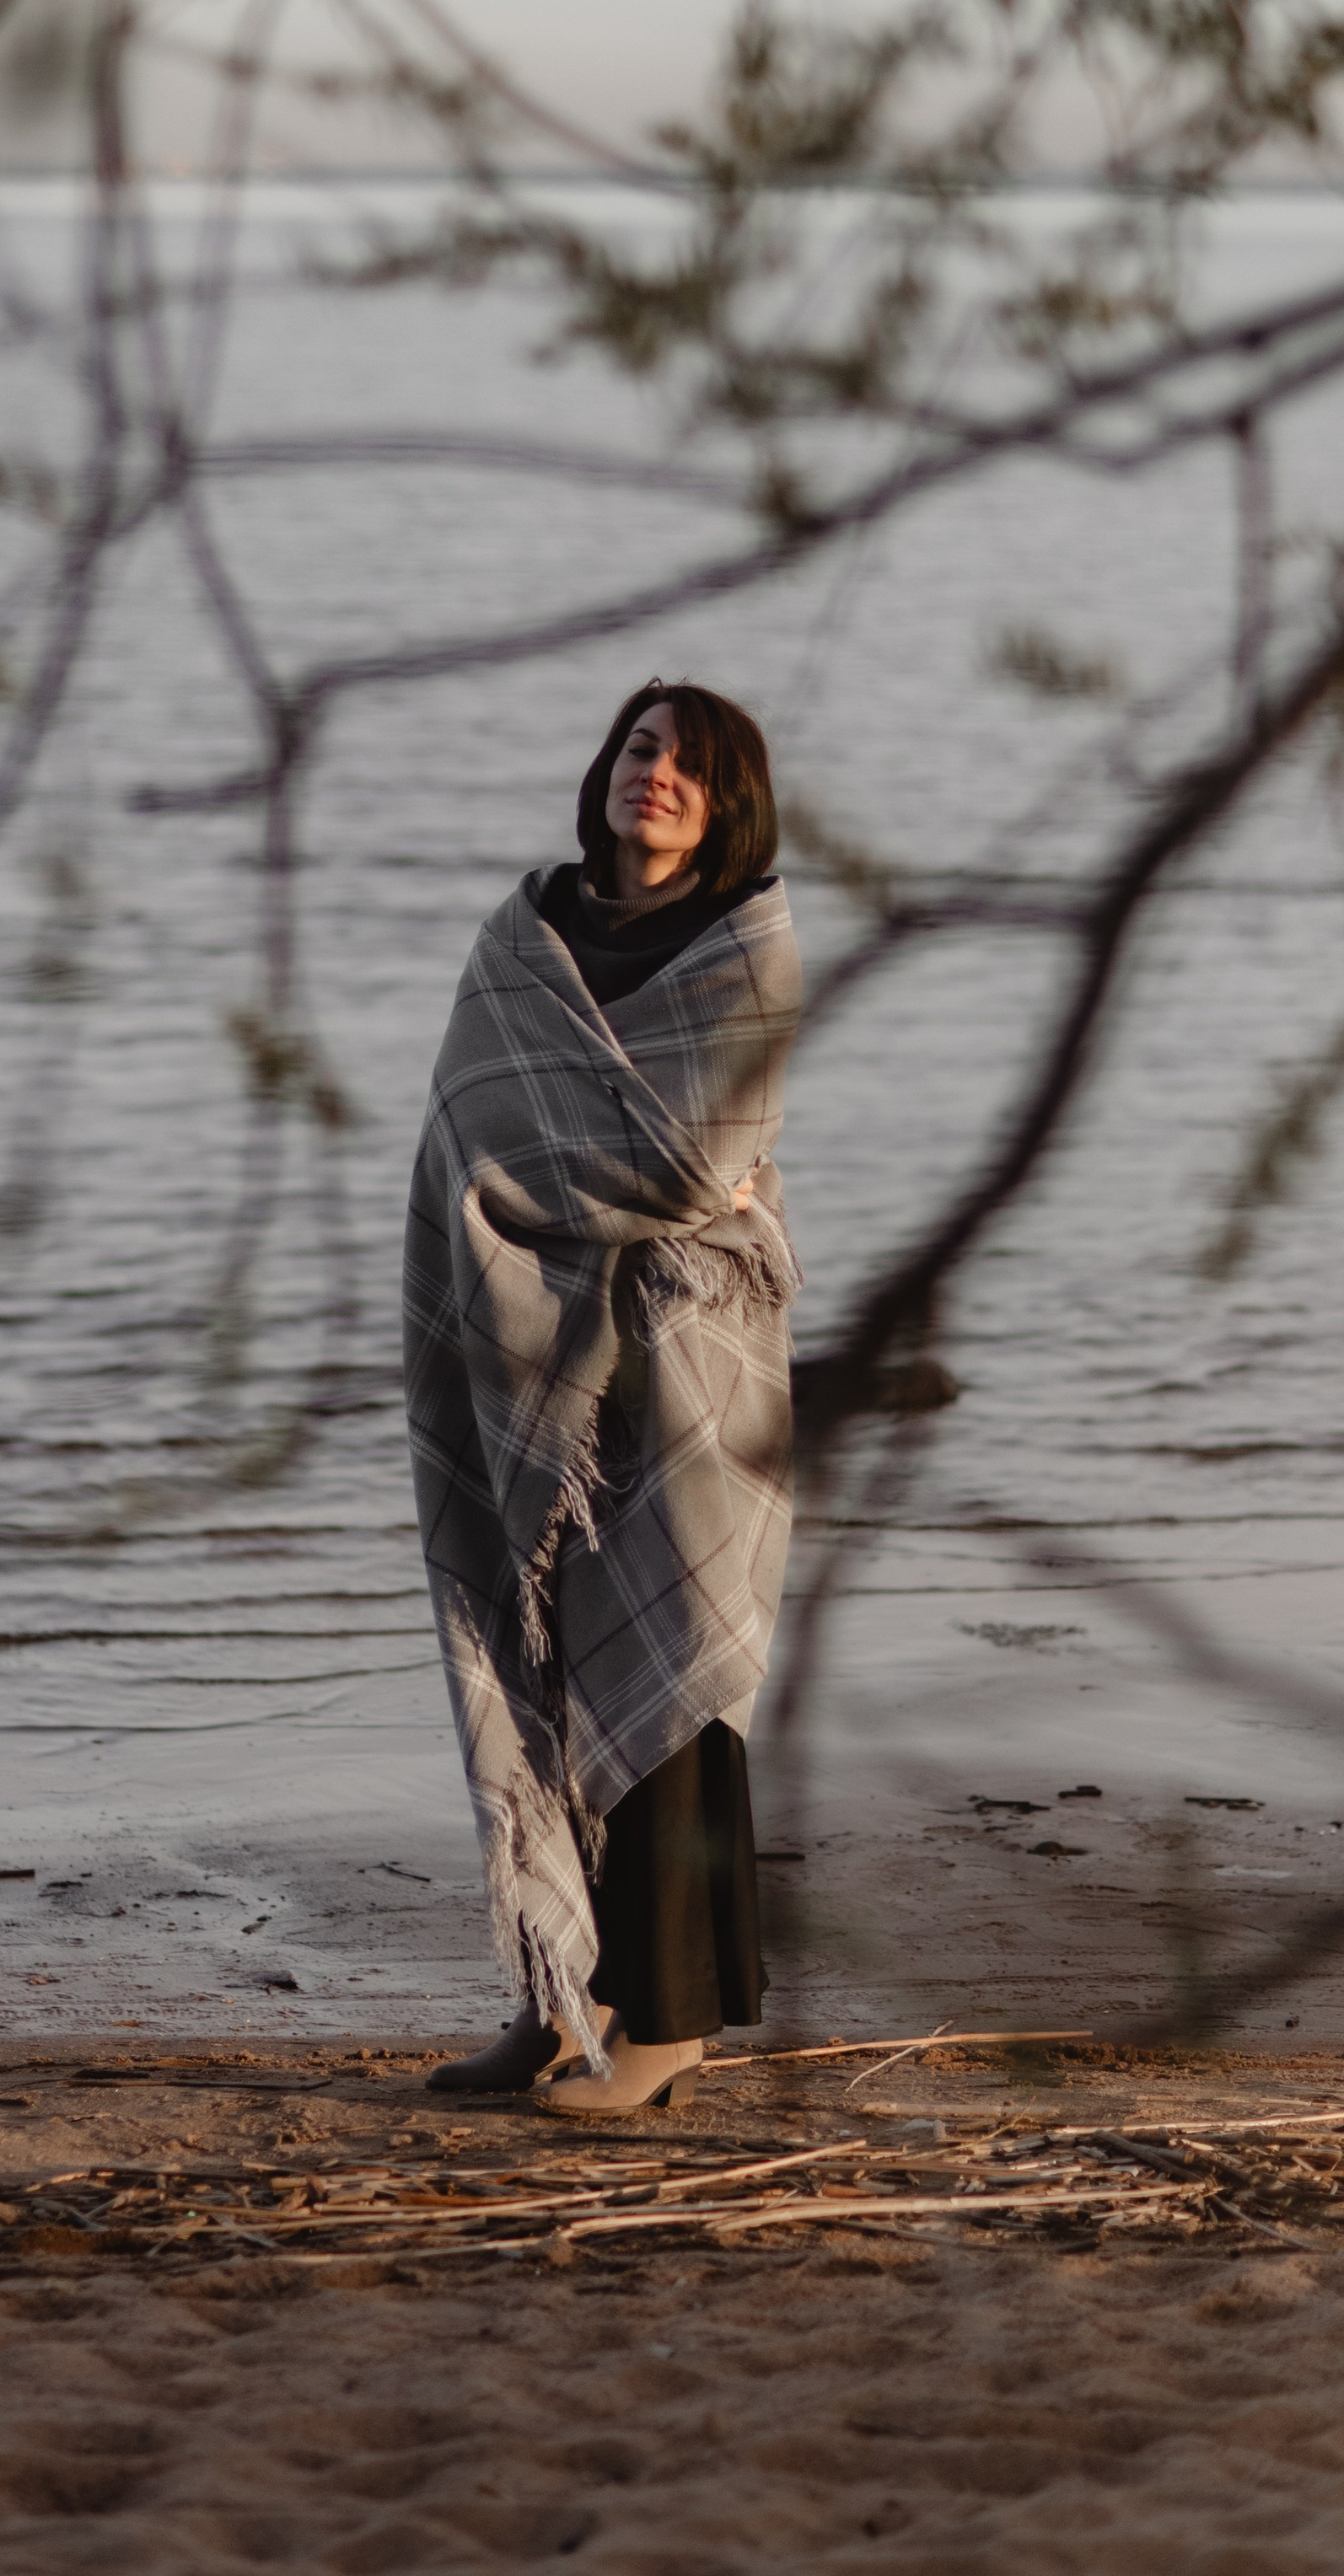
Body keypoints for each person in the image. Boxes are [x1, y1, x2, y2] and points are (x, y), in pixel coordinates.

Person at [404, 679, 801, 2112]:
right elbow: (467, 1138)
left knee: (674, 1664)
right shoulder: (523, 943)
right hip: (529, 1367)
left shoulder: (746, 947)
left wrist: (603, 1195)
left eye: (693, 766)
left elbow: (699, 1167)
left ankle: (673, 2024)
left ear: (729, 803)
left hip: (689, 1361)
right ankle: (564, 1996)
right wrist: (599, 1199)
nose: (660, 777)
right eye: (643, 749)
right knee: (537, 1662)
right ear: (607, 767)